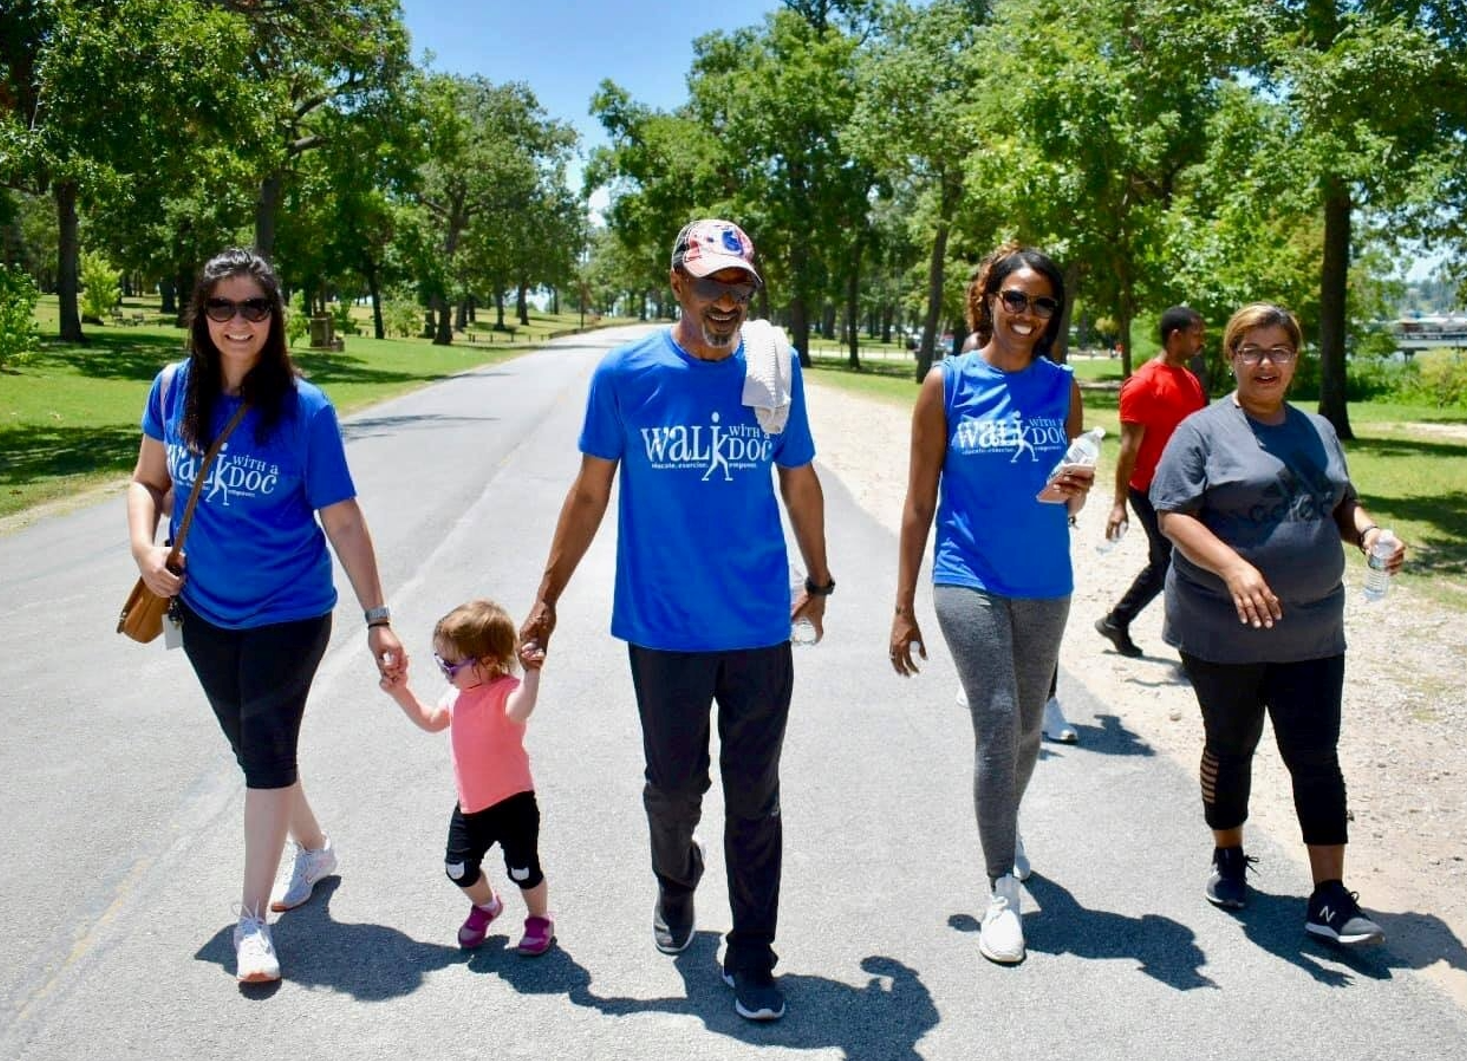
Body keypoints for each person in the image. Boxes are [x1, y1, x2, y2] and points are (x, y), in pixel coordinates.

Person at [518, 219, 831, 1021]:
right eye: (709, 283)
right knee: (673, 790)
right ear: (677, 284)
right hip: (663, 629)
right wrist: (547, 595)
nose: (725, 300)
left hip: (759, 623)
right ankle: (675, 877)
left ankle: (753, 951)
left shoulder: (773, 367)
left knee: (754, 793)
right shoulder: (627, 374)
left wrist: (819, 576)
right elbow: (590, 493)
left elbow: (797, 479)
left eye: (739, 286)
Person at [126, 247, 404, 984]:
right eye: (222, 306)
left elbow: (342, 519)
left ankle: (251, 921)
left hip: (290, 611)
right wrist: (142, 550)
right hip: (205, 612)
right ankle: (315, 849)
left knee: (268, 751)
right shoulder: (172, 388)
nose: (238, 322)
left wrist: (377, 616)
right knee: (256, 753)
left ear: (274, 316)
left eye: (254, 307)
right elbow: (147, 481)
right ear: (201, 314)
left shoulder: (305, 409)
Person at [1151, 302, 1404, 945]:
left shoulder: (1317, 429)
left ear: (1296, 358)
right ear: (1231, 357)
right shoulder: (1202, 431)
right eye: (1252, 351)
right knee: (1232, 747)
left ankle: (1328, 896)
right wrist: (1235, 569)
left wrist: (1370, 532)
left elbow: (1339, 503)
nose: (1267, 363)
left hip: (1313, 629)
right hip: (1221, 629)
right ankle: (1229, 854)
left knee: (1316, 755)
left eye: (1280, 351)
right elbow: (1174, 515)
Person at [890, 243, 1094, 965]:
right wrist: (902, 605)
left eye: (1042, 303)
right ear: (989, 298)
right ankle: (999, 888)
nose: (1028, 315)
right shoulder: (945, 383)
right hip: (964, 571)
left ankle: (1001, 824)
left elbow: (1066, 484)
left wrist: (1077, 490)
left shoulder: (1062, 386)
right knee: (1000, 716)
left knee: (1031, 728)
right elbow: (917, 503)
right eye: (1016, 298)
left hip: (1044, 577)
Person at [379, 600, 554, 955]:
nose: (444, 670)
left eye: (450, 663)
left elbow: (521, 708)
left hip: (513, 804)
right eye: (439, 660)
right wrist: (399, 691)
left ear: (487, 661)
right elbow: (430, 721)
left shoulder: (505, 691)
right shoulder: (458, 694)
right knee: (458, 867)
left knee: (523, 870)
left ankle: (539, 918)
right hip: (471, 806)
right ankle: (487, 905)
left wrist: (532, 674)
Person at [1095, 306, 1207, 657]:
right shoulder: (1144, 384)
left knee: (1170, 563)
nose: (1200, 341)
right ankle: (1192, 646)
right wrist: (1117, 504)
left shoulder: (1189, 381)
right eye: (1196, 334)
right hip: (1149, 491)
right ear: (1176, 336)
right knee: (1176, 563)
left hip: (1187, 489)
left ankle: (1116, 621)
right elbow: (1128, 450)